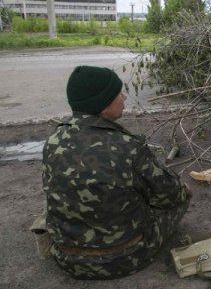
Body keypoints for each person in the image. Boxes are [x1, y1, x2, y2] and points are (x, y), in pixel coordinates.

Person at [42, 65, 190, 279]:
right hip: (124, 258)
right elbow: (170, 195)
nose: (123, 98)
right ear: (102, 105)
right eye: (118, 94)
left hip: (67, 258)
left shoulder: (53, 141)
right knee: (182, 194)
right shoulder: (127, 146)